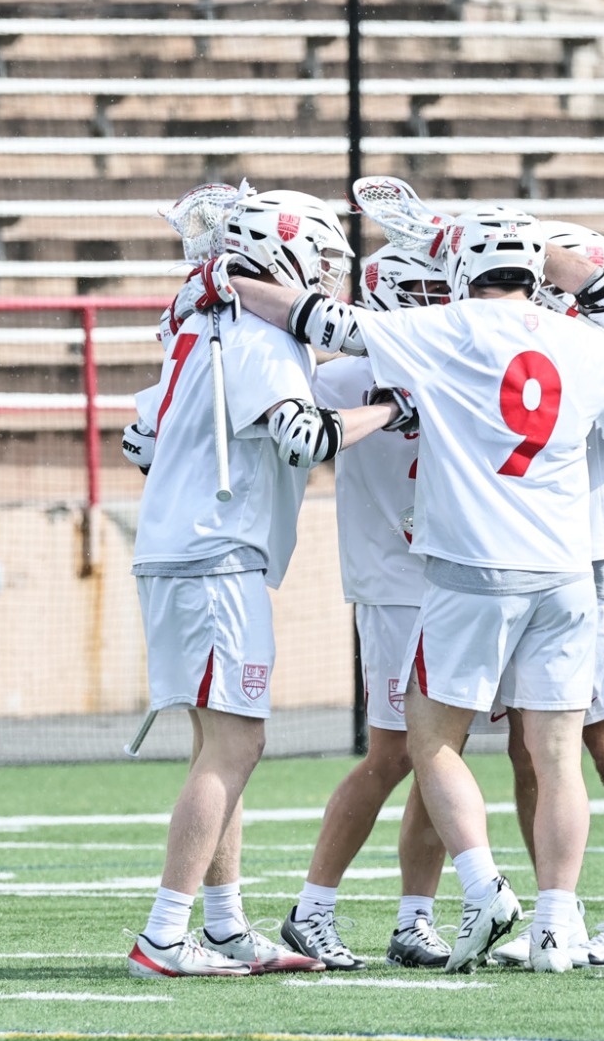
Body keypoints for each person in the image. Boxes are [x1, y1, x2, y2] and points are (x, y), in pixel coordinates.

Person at [184, 207, 604, 972]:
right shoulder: (586, 346)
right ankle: (552, 922)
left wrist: (227, 281)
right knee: (550, 753)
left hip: (473, 569)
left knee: (433, 744)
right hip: (561, 572)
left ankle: (488, 887)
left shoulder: (444, 333)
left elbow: (318, 319)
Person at [120, 189, 400, 978]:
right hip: (214, 557)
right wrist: (389, 409)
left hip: (184, 551)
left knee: (219, 742)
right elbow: (303, 437)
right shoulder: (259, 337)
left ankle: (223, 923)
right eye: (319, 257)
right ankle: (163, 935)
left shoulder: (201, 326)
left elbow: (142, 442)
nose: (326, 273)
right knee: (238, 742)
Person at [490, 222, 604, 969]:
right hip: (534, 560)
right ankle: (557, 915)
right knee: (530, 749)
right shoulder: (543, 347)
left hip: (600, 561)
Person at [280, 248, 455, 972]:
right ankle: (312, 908)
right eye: (423, 288)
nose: (439, 300)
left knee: (445, 754)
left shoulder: (457, 357)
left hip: (458, 578)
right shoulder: (345, 376)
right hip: (393, 583)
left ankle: (416, 919)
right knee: (394, 755)